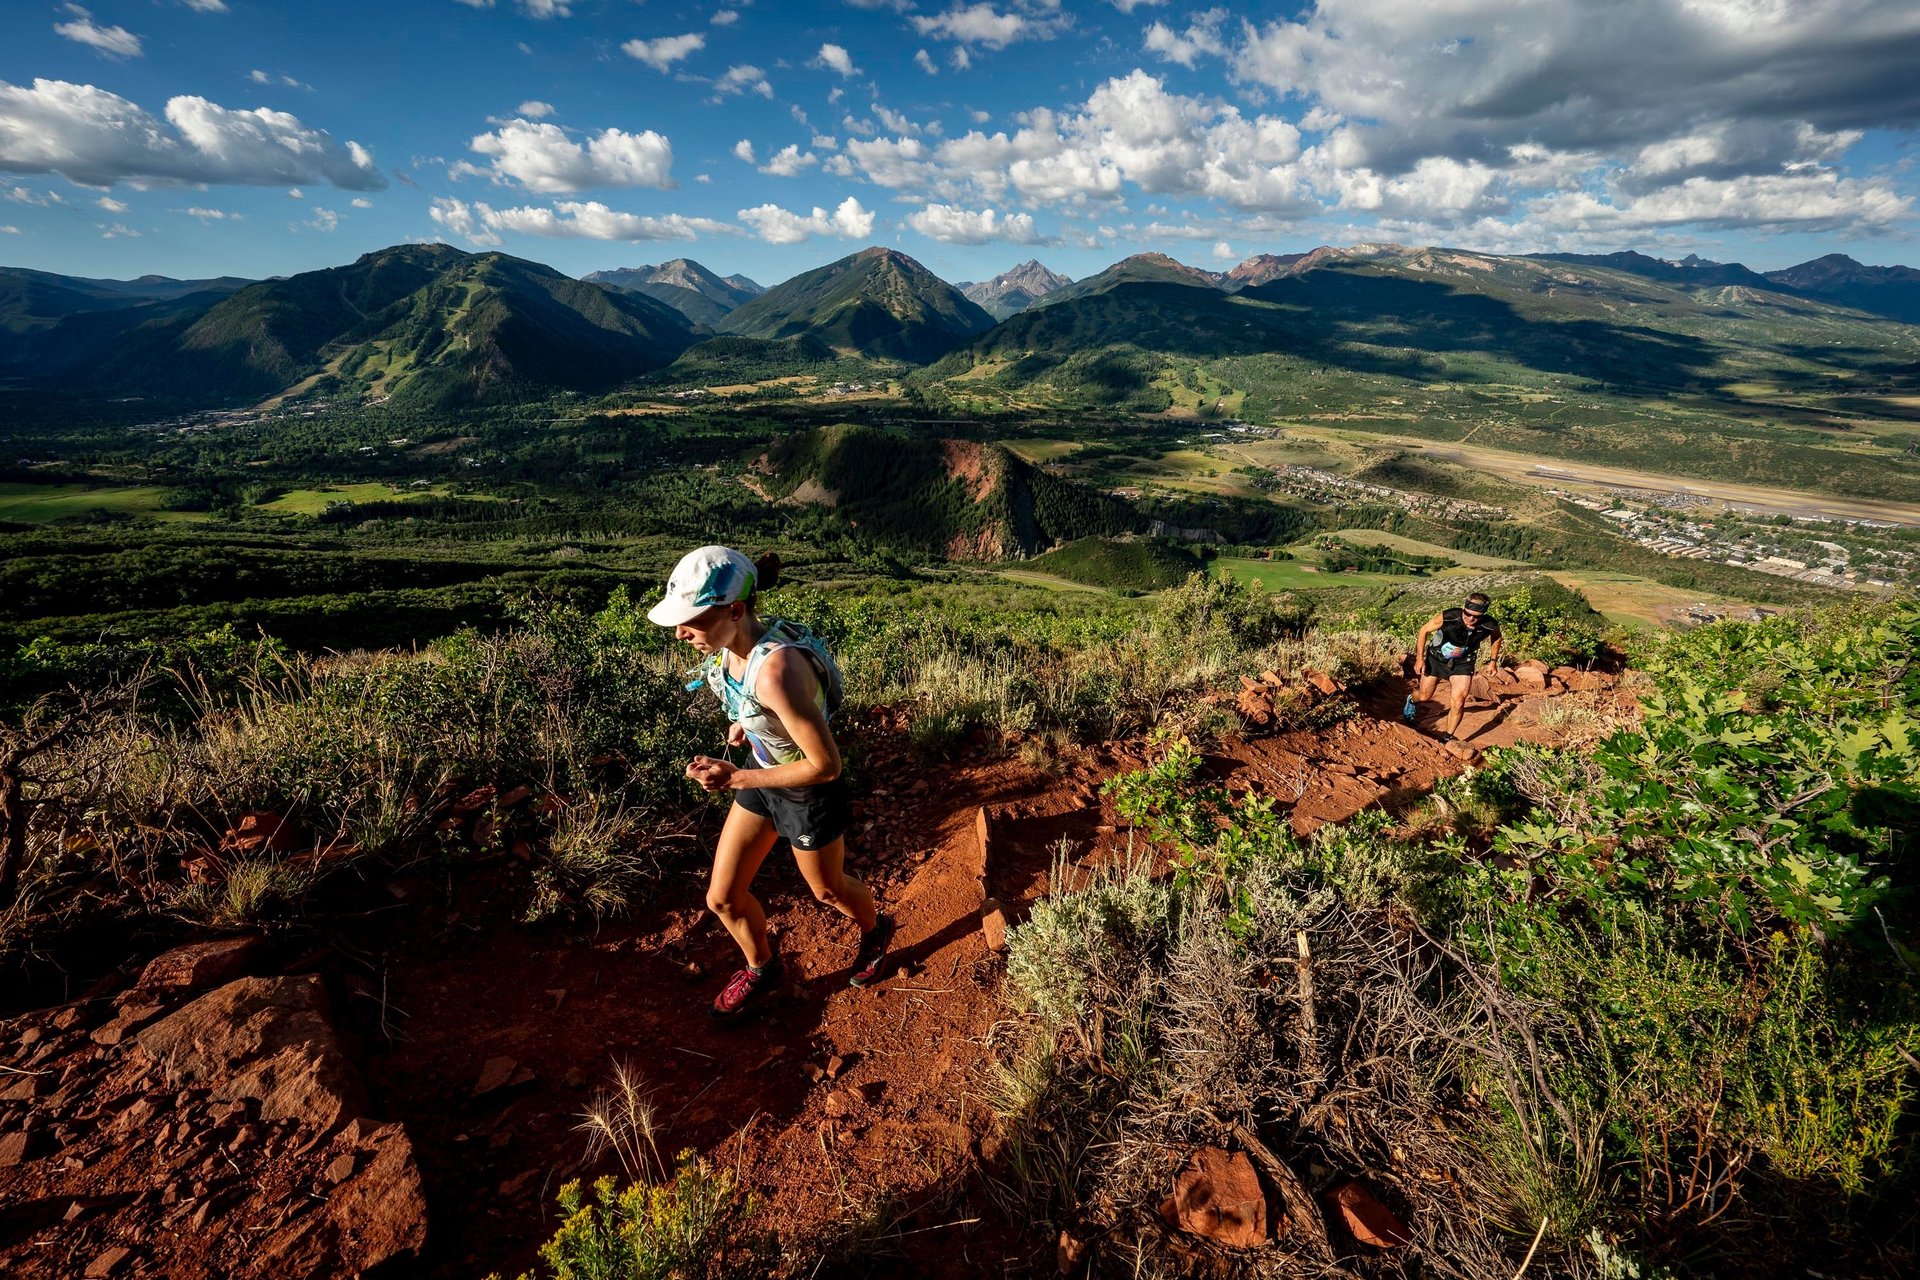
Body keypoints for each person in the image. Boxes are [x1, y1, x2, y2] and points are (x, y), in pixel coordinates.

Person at [646, 545, 893, 1019]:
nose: (679, 634)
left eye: (690, 621)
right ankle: (762, 968)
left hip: (805, 789)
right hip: (762, 776)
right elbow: (757, 703)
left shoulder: (777, 671)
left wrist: (738, 777)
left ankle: (876, 928)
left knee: (827, 890)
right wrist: (748, 725)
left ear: (735, 610)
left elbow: (825, 765)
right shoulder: (732, 650)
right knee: (722, 897)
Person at [1406, 591, 1503, 739]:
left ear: (1483, 615)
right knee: (1424, 696)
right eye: (1467, 613)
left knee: (1459, 701)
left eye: (1476, 616)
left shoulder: (1489, 624)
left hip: (1463, 662)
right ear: (1463, 608)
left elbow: (1497, 637)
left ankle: (1447, 738)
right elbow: (1423, 630)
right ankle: (1412, 700)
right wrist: (1420, 658)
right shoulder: (1449, 616)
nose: (1471, 618)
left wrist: (1493, 661)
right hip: (1436, 658)